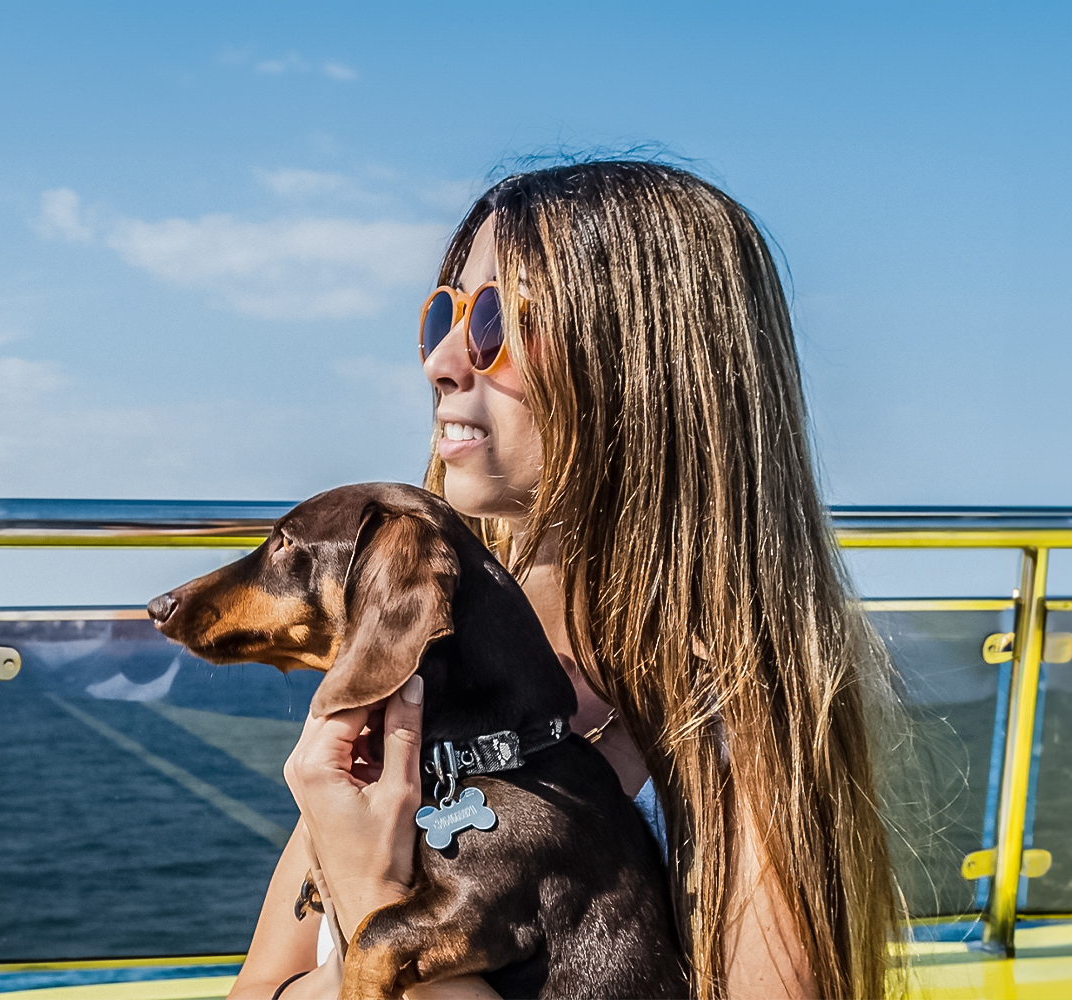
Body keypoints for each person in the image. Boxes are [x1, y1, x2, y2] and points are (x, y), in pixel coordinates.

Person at [230, 161, 897, 1000]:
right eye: (443, 314)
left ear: (649, 365)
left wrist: (372, 896)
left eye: (501, 321)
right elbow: (259, 990)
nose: (442, 361)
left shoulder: (730, 731)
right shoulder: (426, 665)